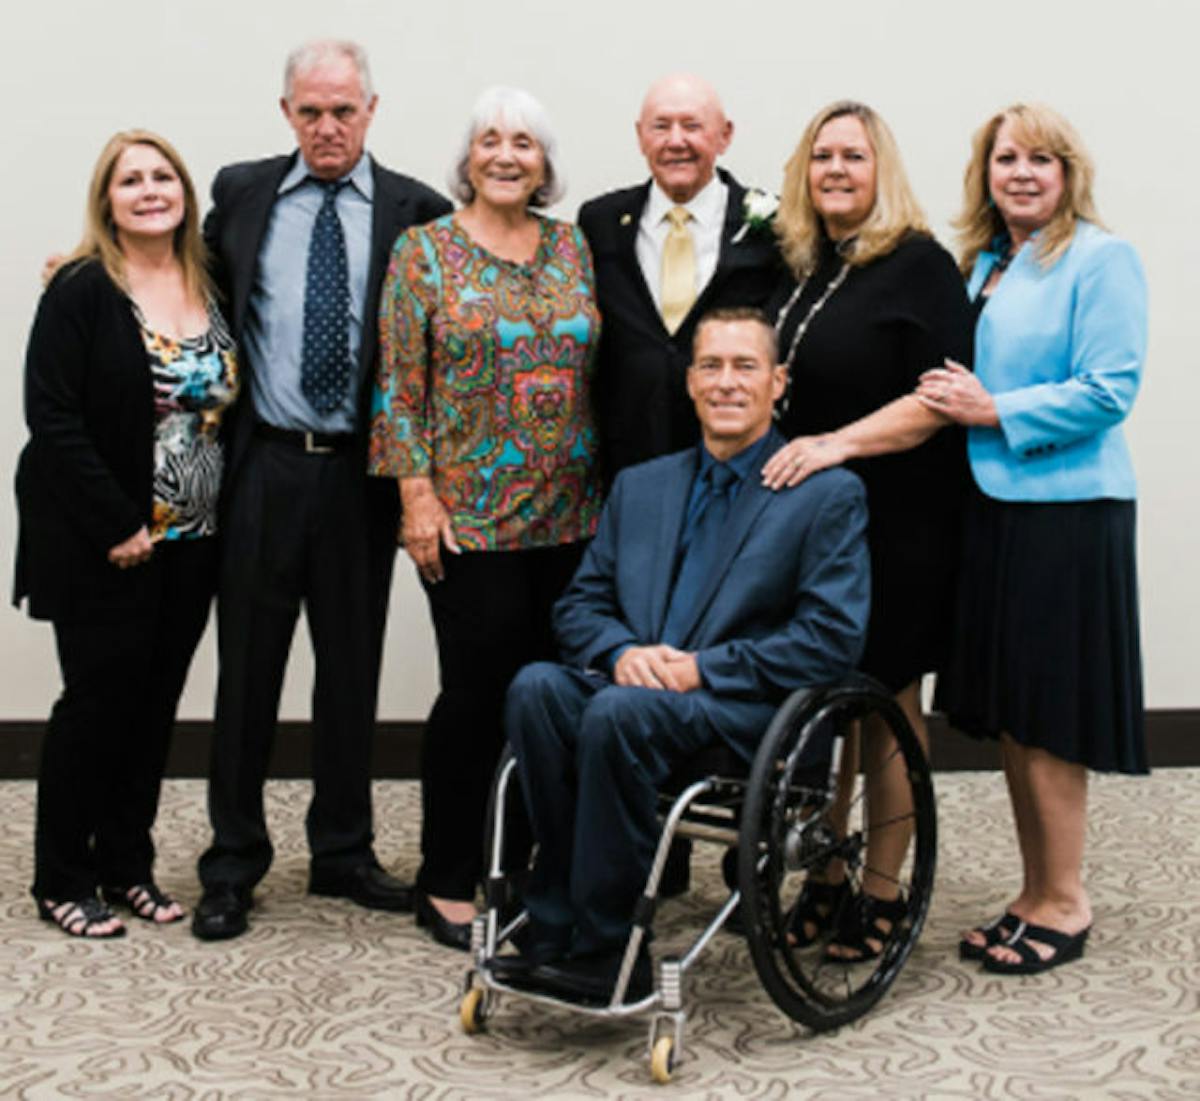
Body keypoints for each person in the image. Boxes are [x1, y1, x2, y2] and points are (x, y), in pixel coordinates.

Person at [492, 307, 870, 1002]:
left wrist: (701, 669)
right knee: (536, 688)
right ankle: (551, 924)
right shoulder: (643, 485)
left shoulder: (825, 494)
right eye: (711, 366)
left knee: (617, 714)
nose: (727, 383)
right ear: (689, 382)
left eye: (746, 366)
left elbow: (830, 638)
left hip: (741, 715)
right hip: (633, 696)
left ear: (778, 382)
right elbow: (579, 606)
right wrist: (620, 651)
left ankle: (610, 948)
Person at [191, 40, 452, 941]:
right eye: (312, 112)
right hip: (265, 466)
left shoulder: (419, 210)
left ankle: (342, 850)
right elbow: (182, 284)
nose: (328, 127)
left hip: (361, 474)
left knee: (350, 669)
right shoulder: (241, 192)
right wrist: (83, 266)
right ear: (286, 113)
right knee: (247, 672)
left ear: (372, 111)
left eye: (344, 111)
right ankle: (232, 862)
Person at [369, 87, 602, 950]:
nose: (507, 155)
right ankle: (448, 873)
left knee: (556, 699)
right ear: (468, 158)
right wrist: (416, 498)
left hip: (576, 518)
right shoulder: (424, 252)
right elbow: (398, 386)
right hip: (469, 522)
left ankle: (535, 863)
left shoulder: (576, 248)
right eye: (491, 141)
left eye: (526, 143)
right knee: (476, 698)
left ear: (546, 164)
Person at [917, 104, 1147, 974]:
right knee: (1014, 712)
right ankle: (1033, 887)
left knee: (1050, 713)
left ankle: (1066, 897)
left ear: (1068, 172)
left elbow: (1110, 388)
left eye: (1041, 159)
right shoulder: (988, 265)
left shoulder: (1102, 257)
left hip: (1067, 511)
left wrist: (996, 409)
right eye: (1006, 157)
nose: (1022, 172)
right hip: (995, 505)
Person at [760, 101, 973, 961]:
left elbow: (940, 397)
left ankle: (884, 890)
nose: (837, 170)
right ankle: (827, 875)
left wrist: (836, 443)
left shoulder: (919, 265)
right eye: (822, 158)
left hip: (901, 518)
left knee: (884, 707)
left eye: (853, 156)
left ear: (881, 168)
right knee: (827, 707)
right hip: (816, 523)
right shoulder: (805, 266)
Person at [14, 130, 238, 937]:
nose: (149, 190)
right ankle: (61, 876)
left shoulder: (211, 279)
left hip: (196, 539)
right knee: (97, 707)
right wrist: (118, 521)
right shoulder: (80, 287)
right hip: (104, 539)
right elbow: (53, 417)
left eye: (162, 176)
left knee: (153, 710)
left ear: (184, 190)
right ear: (106, 201)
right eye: (130, 180)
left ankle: (125, 863)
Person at [578, 73, 782, 484]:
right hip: (626, 464)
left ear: (724, 136)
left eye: (692, 126)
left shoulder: (776, 228)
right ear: (640, 137)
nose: (676, 141)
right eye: (661, 126)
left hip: (738, 465)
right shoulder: (599, 222)